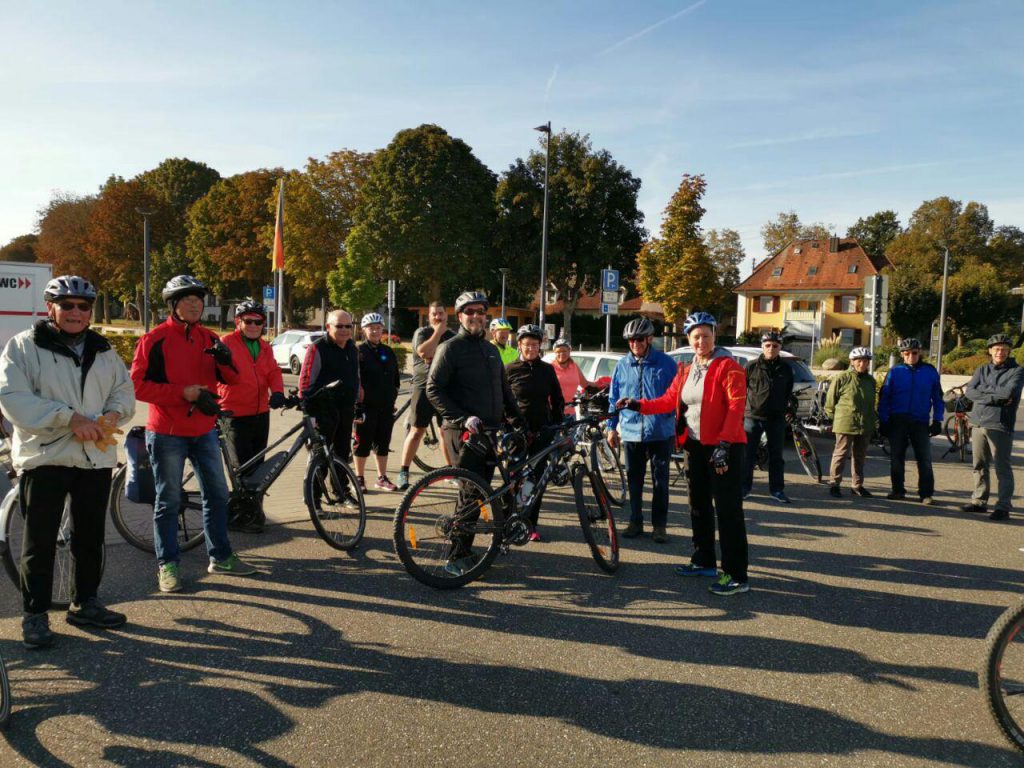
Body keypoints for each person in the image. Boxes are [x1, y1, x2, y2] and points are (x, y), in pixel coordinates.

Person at [0, 276, 136, 647]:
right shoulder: (24, 347)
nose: (76, 312)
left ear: (91, 311)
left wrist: (113, 414)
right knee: (39, 541)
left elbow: (124, 391)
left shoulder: (104, 350)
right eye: (67, 305)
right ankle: (35, 615)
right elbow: (11, 399)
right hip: (47, 457)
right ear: (51, 308)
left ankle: (85, 602)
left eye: (83, 306)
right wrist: (68, 417)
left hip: (94, 457)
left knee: (90, 538)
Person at [132, 275, 257, 593]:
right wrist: (182, 393)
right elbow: (136, 385)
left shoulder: (209, 338)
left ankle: (221, 557)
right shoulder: (154, 340)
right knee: (169, 501)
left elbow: (232, 380)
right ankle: (168, 565)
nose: (194, 303)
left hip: (203, 429)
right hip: (166, 433)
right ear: (173, 304)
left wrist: (226, 363)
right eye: (187, 299)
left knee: (218, 495)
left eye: (198, 299)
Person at [617, 311, 750, 596]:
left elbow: (737, 408)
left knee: (728, 511)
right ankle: (704, 560)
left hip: (724, 447)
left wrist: (725, 445)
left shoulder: (729, 367)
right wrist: (637, 404)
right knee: (698, 505)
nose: (700, 341)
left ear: (714, 335)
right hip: (694, 445)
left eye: (705, 335)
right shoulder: (687, 370)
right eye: (695, 337)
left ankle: (736, 574)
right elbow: (667, 401)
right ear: (688, 340)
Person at [426, 291, 523, 576]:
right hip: (463, 433)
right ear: (460, 316)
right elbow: (434, 389)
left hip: (490, 434)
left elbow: (504, 392)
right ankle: (456, 556)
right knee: (470, 495)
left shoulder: (491, 350)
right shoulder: (451, 348)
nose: (476, 316)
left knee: (479, 494)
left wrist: (518, 421)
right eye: (470, 312)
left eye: (481, 311)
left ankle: (464, 549)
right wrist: (462, 417)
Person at [216, 300, 286, 532]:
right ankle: (238, 515)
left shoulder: (265, 347)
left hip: (260, 413)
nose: (254, 325)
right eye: (249, 321)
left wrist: (277, 391)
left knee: (258, 466)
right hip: (233, 414)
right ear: (238, 322)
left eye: (259, 321)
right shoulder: (226, 343)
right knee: (241, 468)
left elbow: (273, 371)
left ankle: (252, 511)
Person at [606, 317, 677, 543]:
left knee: (660, 482)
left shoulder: (666, 363)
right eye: (630, 340)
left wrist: (677, 427)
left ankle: (659, 526)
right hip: (631, 432)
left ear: (649, 339)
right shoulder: (622, 365)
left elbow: (677, 398)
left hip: (660, 432)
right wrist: (611, 428)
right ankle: (635, 521)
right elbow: (613, 398)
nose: (634, 343)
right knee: (634, 481)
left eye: (638, 339)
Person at [505, 324, 565, 541]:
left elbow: (557, 399)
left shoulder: (547, 369)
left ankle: (530, 524)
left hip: (542, 431)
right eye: (526, 344)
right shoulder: (509, 369)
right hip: (516, 433)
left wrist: (557, 425)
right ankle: (508, 521)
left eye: (535, 344)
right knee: (513, 480)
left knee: (537, 480)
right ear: (519, 345)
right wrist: (510, 425)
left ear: (541, 346)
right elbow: (503, 402)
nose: (530, 348)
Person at [962, 333, 1024, 521]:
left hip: (1000, 425)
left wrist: (984, 394)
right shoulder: (982, 369)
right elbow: (970, 392)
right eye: (997, 349)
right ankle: (979, 501)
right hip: (978, 422)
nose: (1000, 352)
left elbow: (1009, 393)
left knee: (1002, 467)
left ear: (1009, 351)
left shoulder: (1017, 371)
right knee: (979, 465)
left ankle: (1003, 505)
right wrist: (993, 396)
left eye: (1004, 349)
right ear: (990, 351)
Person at [299, 308, 362, 486]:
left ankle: (342, 491)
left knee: (342, 453)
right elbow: (305, 383)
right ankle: (315, 497)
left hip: (346, 408)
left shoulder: (352, 348)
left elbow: (356, 377)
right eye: (339, 326)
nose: (344, 330)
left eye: (348, 326)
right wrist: (309, 414)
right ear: (328, 326)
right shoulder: (317, 348)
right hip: (323, 410)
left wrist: (358, 403)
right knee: (320, 456)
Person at [396, 301, 455, 490]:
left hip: (445, 390)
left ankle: (451, 471)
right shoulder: (422, 333)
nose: (437, 317)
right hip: (423, 387)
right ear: (429, 316)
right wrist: (437, 332)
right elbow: (423, 351)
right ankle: (403, 472)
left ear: (447, 315)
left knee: (446, 431)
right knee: (417, 431)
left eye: (441, 313)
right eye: (434, 314)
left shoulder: (453, 336)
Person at [878, 337, 943, 504]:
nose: (910, 356)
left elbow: (937, 397)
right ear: (902, 354)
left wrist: (937, 420)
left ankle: (926, 493)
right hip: (897, 420)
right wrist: (883, 421)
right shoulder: (895, 371)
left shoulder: (930, 371)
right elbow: (884, 397)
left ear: (920, 352)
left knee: (924, 459)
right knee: (896, 458)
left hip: (919, 420)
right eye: (906, 353)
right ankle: (898, 490)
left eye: (914, 353)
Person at [742, 330, 794, 503]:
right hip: (752, 417)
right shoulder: (750, 366)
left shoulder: (786, 368)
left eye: (775, 346)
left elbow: (788, 392)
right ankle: (744, 488)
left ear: (780, 347)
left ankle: (777, 490)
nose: (771, 348)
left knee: (776, 457)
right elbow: (741, 391)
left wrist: (786, 408)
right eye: (768, 345)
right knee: (747, 455)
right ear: (762, 347)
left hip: (776, 419)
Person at [354, 312, 401, 492]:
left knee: (383, 444)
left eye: (378, 328)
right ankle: (359, 478)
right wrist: (357, 406)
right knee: (362, 443)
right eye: (371, 328)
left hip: (386, 407)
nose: (375, 331)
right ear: (364, 330)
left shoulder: (387, 351)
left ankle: (382, 478)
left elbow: (395, 379)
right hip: (366, 407)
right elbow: (355, 380)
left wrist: (393, 397)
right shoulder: (359, 352)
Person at [825, 347, 877, 498]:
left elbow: (871, 402)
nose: (862, 364)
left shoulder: (870, 380)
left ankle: (857, 485)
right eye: (859, 361)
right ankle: (834, 484)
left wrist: (873, 419)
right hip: (845, 422)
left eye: (865, 361)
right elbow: (830, 402)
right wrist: (836, 418)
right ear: (852, 362)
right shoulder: (842, 377)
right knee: (841, 454)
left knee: (860, 455)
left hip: (865, 423)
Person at [551, 338, 597, 415]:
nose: (561, 354)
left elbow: (585, 384)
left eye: (564, 351)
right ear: (554, 353)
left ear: (569, 351)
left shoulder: (574, 366)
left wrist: (602, 384)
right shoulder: (550, 367)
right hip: (553, 413)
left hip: (571, 412)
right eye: (558, 352)